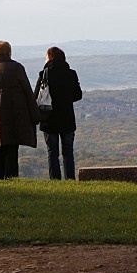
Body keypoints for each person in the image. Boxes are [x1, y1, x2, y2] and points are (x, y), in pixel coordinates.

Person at [0, 40, 40, 179]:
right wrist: (35, 116)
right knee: (12, 149)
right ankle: (11, 178)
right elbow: (28, 92)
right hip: (15, 115)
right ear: (9, 52)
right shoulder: (17, 68)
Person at [34, 46, 83, 180]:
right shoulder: (71, 74)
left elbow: (36, 96)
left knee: (52, 152)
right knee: (68, 152)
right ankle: (70, 179)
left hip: (49, 118)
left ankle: (55, 179)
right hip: (67, 117)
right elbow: (78, 95)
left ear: (49, 58)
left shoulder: (45, 74)